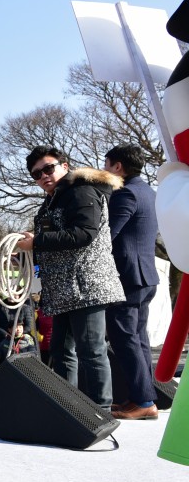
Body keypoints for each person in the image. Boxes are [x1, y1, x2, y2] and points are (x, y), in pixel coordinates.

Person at [16, 147, 125, 409]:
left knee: (91, 350)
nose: (43, 176)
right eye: (36, 174)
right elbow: (56, 243)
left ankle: (101, 410)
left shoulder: (81, 191)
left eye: (48, 168)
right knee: (61, 352)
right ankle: (68, 407)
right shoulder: (53, 200)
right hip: (63, 289)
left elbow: (84, 234)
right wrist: (26, 256)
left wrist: (38, 241)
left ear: (64, 166)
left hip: (86, 285)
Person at [103, 144, 162, 419]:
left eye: (106, 164)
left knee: (125, 337)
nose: (104, 169)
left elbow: (107, 235)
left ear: (118, 167)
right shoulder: (149, 192)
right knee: (138, 338)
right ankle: (144, 397)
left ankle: (143, 401)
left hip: (127, 276)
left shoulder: (125, 193)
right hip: (145, 274)